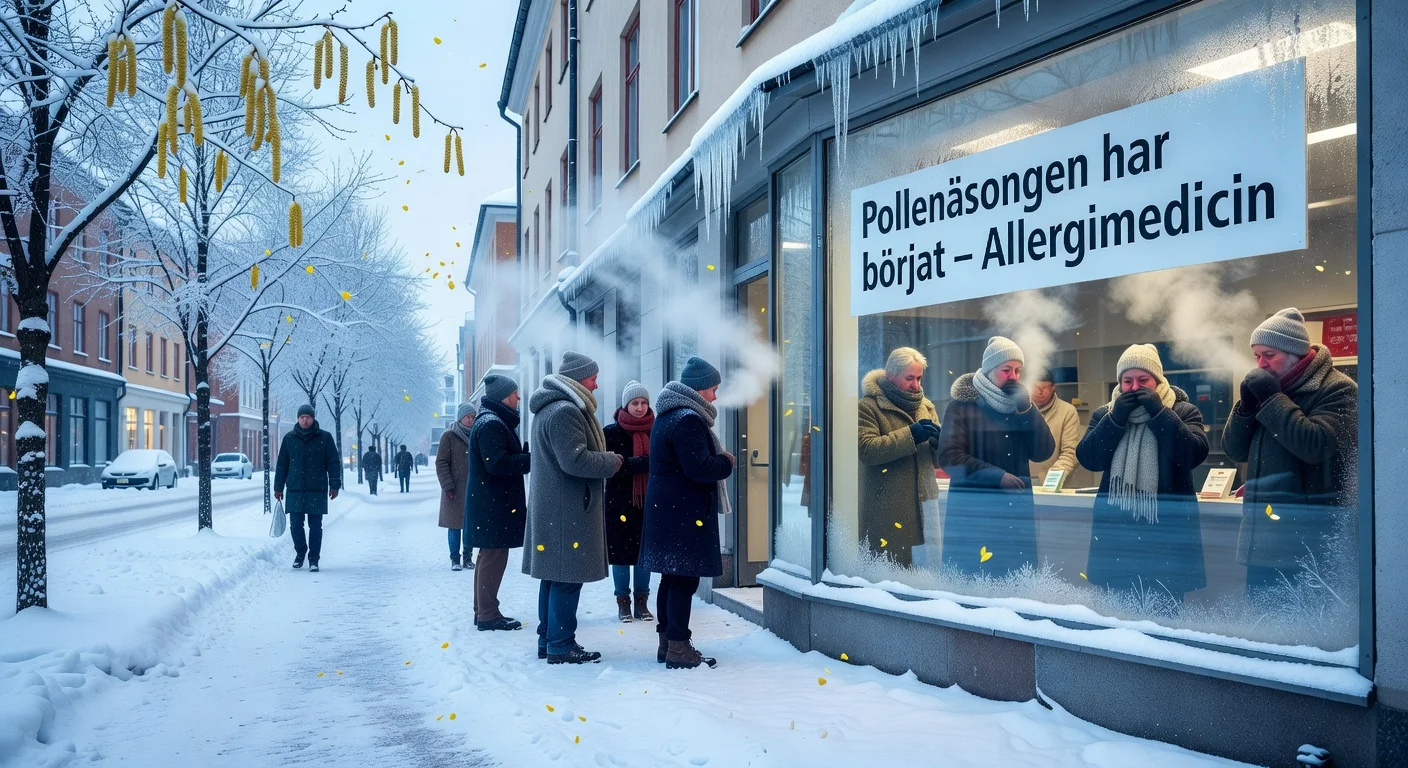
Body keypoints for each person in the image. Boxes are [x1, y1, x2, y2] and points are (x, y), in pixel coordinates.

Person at [1222, 308, 1358, 597]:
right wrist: (1245, 409)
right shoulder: (1269, 390)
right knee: (1263, 626)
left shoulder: (1338, 389)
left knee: (1300, 631)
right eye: (1256, 356)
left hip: (1307, 541)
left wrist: (1272, 399)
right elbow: (1234, 449)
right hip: (1263, 538)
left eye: (1269, 355)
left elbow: (1315, 446)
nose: (1261, 364)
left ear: (1295, 352)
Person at [1076, 344, 1208, 602]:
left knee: (1164, 610)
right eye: (1128, 381)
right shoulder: (1106, 413)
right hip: (1117, 534)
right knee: (1116, 616)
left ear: (1157, 381)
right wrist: (1116, 419)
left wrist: (1159, 413)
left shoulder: (1183, 411)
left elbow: (1193, 454)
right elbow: (1089, 458)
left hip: (1165, 531)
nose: (1134, 388)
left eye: (1143, 380)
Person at [521, 352, 623, 664]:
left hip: (556, 509)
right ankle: (561, 645)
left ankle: (548, 639)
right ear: (579, 378)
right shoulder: (565, 411)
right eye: (593, 377)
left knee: (553, 577)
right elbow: (574, 460)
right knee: (566, 579)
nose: (596, 383)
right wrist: (612, 460)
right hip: (566, 512)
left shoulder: (551, 408)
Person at [638, 357, 736, 670]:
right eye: (713, 389)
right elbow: (700, 468)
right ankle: (678, 647)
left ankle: (668, 642)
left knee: (672, 579)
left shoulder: (668, 416)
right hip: (684, 516)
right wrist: (726, 462)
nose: (715, 396)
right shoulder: (688, 420)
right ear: (699, 389)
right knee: (683, 582)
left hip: (670, 515)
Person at [937, 336, 1055, 576]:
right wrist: (996, 476)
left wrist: (1028, 410)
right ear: (990, 370)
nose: (1013, 377)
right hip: (976, 513)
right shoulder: (962, 405)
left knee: (1015, 580)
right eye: (1006, 370)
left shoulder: (1020, 407)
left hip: (1015, 514)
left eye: (1018, 370)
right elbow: (949, 457)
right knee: (976, 579)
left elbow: (1044, 451)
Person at [856, 347, 941, 567]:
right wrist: (911, 435)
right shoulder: (868, 407)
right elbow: (867, 450)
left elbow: (939, 461)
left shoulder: (927, 407)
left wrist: (940, 444)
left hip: (925, 502)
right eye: (910, 378)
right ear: (891, 376)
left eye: (919, 378)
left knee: (926, 569)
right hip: (887, 504)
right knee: (890, 568)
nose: (916, 385)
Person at [466, 374, 532, 631]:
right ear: (504, 396)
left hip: (490, 504)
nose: (518, 398)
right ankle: (487, 615)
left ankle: (483, 610)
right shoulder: (492, 424)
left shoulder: (489, 421)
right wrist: (527, 460)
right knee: (493, 558)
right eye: (515, 393)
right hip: (493, 505)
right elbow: (497, 464)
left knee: (488, 557)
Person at [603, 380, 655, 623]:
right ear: (626, 404)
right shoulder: (611, 432)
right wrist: (639, 463)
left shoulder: (656, 430)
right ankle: (623, 602)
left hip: (649, 501)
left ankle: (642, 602)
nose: (640, 407)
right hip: (619, 502)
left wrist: (628, 464)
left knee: (644, 552)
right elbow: (609, 465)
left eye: (644, 402)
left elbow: (660, 463)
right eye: (635, 403)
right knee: (621, 554)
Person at [274, 404, 341, 572]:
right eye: (302, 417)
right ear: (298, 418)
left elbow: (333, 462)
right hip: (295, 489)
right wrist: (278, 486)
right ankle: (300, 552)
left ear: (313, 418)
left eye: (308, 417)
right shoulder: (289, 438)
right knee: (295, 525)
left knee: (315, 525)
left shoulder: (325, 438)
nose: (305, 420)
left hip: (316, 489)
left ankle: (314, 559)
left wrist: (334, 484)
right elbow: (282, 464)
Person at [437, 403, 477, 571]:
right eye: (468, 416)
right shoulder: (449, 436)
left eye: (473, 416)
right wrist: (447, 486)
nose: (471, 419)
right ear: (460, 418)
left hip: (474, 488)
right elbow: (441, 462)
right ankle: (455, 559)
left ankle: (468, 558)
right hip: (453, 489)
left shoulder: (477, 434)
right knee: (454, 525)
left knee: (471, 525)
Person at [1029, 372, 1080, 486]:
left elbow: (1070, 452)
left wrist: (1052, 481)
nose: (1039, 392)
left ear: (1053, 388)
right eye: (1035, 387)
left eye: (1044, 387)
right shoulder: (1019, 408)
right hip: (1019, 483)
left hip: (1051, 483)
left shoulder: (1067, 412)